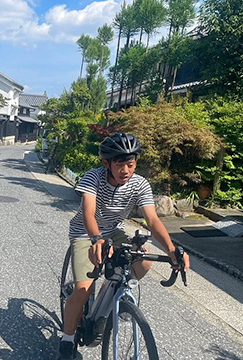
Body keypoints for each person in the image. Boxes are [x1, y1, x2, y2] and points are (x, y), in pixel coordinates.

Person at [57, 132, 190, 359]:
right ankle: (67, 340)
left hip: (115, 232)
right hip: (85, 233)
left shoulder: (139, 184)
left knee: (144, 261)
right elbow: (88, 213)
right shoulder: (93, 178)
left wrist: (171, 249)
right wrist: (96, 238)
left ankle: (116, 295)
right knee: (83, 289)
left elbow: (153, 220)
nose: (126, 171)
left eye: (131, 164)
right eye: (120, 165)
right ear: (106, 163)